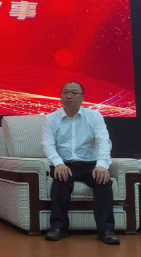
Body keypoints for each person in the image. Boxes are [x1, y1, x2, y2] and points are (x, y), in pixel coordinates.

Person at [42, 81, 120, 245]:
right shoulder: (51, 119)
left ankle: (106, 231)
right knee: (60, 180)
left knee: (103, 182)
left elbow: (103, 141)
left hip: (89, 164)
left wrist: (101, 165)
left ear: (83, 97)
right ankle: (59, 228)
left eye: (74, 93)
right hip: (64, 164)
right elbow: (47, 144)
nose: (69, 96)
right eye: (65, 92)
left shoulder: (94, 116)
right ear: (61, 96)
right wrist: (58, 163)